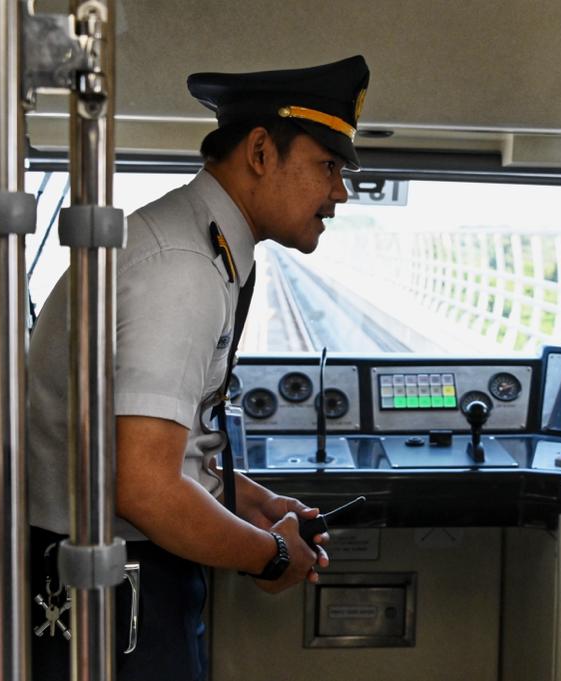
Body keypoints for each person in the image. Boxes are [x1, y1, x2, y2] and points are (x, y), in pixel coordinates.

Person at [27, 55, 370, 681]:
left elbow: (165, 455)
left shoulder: (202, 248)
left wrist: (256, 503)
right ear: (261, 151)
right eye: (328, 165)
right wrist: (269, 554)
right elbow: (146, 487)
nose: (340, 192)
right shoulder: (181, 269)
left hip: (130, 574)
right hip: (113, 589)